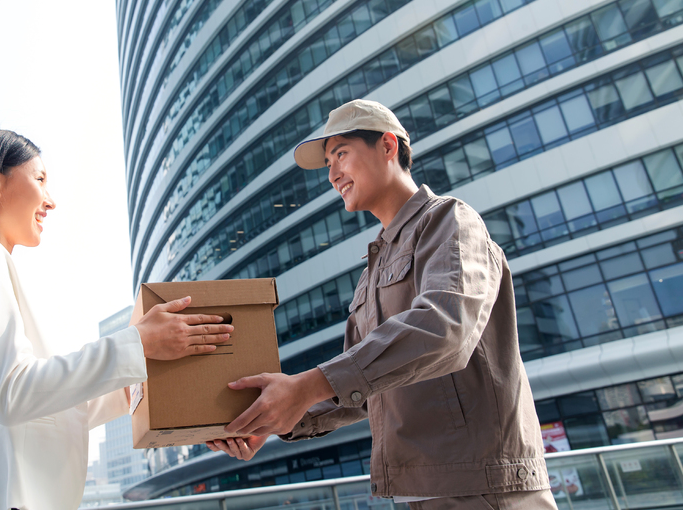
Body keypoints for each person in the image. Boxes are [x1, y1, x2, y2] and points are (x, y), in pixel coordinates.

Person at [207, 100, 557, 509]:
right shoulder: (371, 271)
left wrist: (306, 386)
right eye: (328, 163)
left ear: (388, 146)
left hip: (486, 488)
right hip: (420, 490)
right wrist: (274, 419)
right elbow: (362, 385)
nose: (333, 174)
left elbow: (446, 328)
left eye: (341, 154)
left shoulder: (449, 220)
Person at [0, 129, 233, 510]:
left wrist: (199, 412)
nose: (51, 201)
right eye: (40, 179)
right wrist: (138, 344)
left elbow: (48, 411)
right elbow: (12, 394)